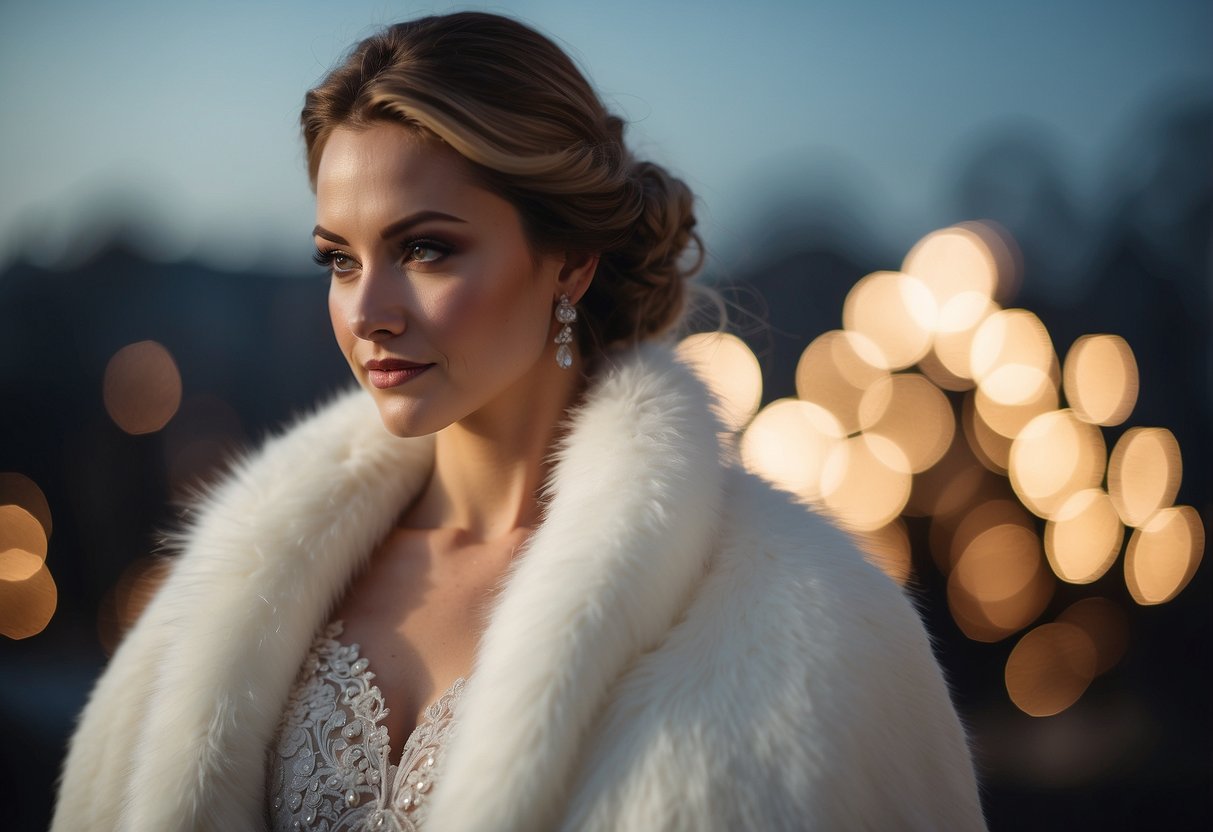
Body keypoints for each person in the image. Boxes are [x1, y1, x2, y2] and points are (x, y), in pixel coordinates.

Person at [53, 12, 985, 832]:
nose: (366, 308)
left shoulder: (808, 627)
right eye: (338, 259)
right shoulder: (219, 597)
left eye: (425, 248)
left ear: (570, 261)